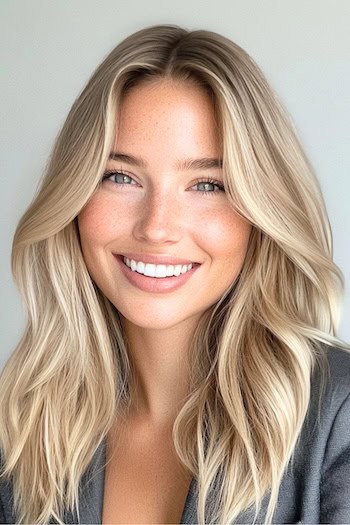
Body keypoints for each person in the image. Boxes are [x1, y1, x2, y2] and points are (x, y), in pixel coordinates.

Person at [0, 24, 350, 525]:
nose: (156, 227)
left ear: (261, 211)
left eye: (207, 184)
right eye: (120, 176)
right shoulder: (23, 431)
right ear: (73, 197)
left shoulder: (339, 421)